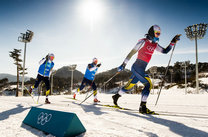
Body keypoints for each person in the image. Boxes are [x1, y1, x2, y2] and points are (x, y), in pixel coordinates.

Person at [112, 25, 181, 114]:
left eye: (159, 34)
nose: (158, 35)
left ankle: (116, 96)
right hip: (137, 67)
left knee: (129, 86)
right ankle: (143, 106)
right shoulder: (143, 41)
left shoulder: (155, 45)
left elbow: (165, 51)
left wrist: (173, 41)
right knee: (148, 84)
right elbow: (131, 53)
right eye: (157, 33)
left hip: (141, 68)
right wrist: (123, 64)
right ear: (152, 32)